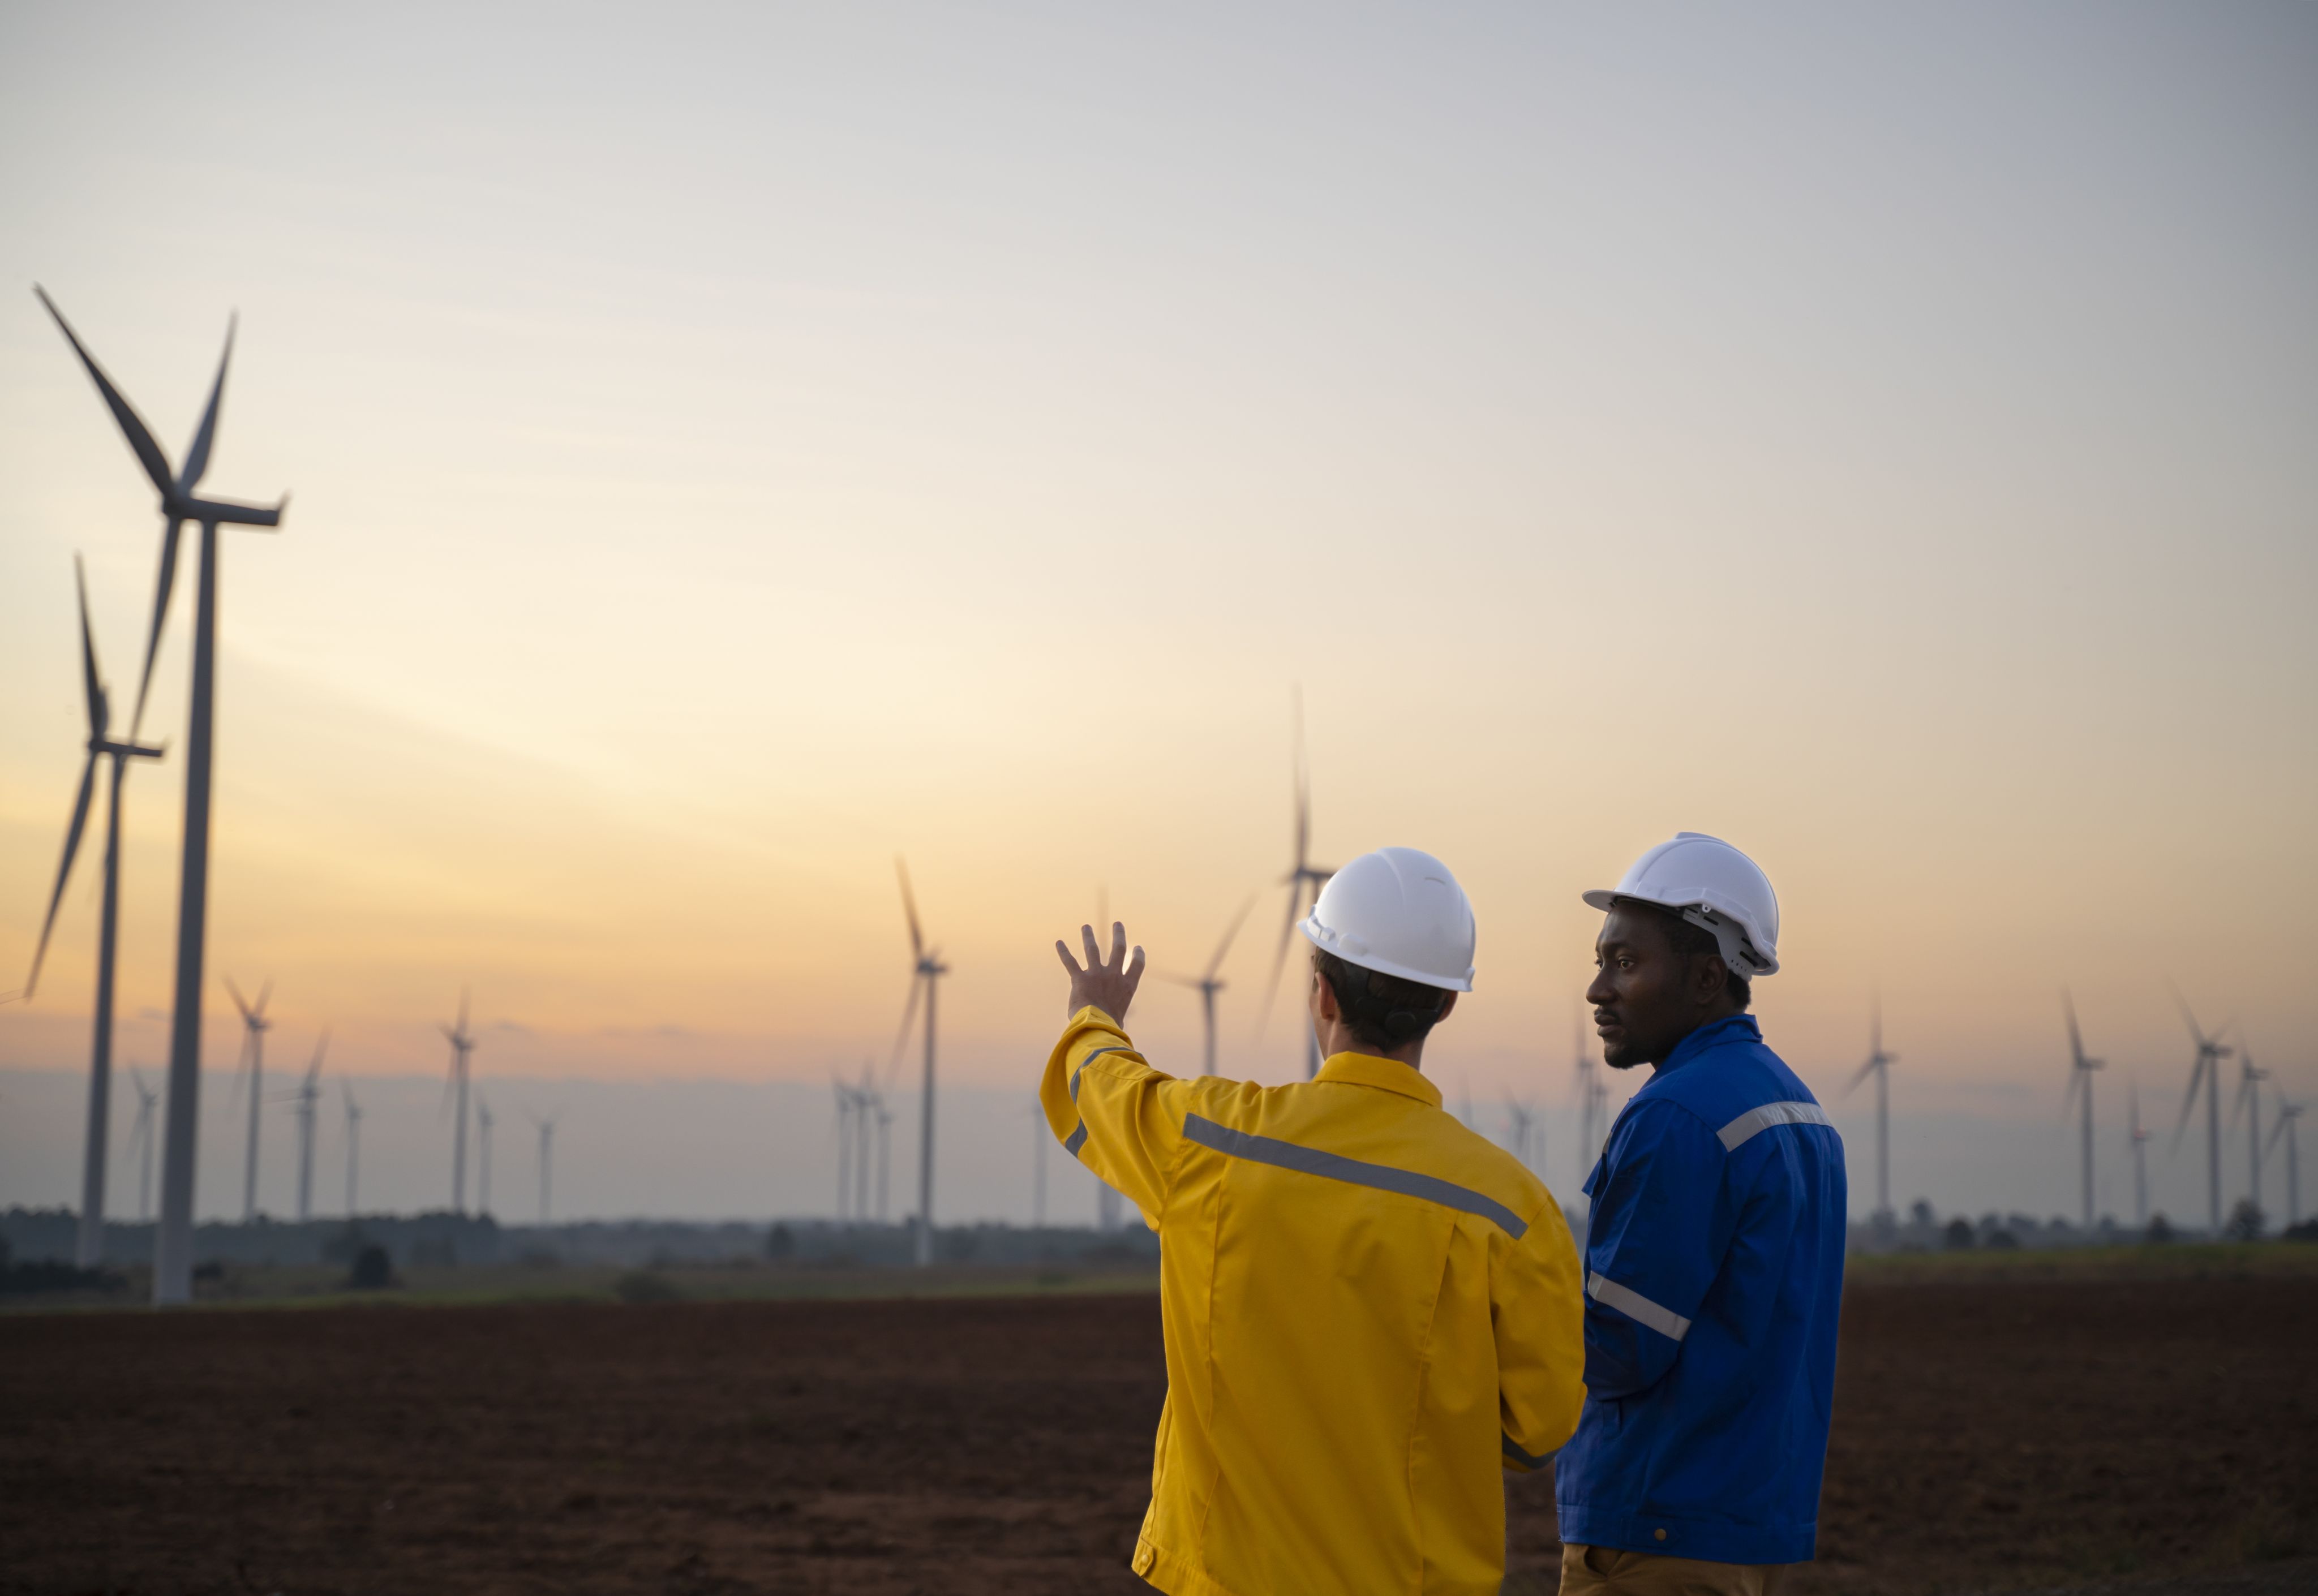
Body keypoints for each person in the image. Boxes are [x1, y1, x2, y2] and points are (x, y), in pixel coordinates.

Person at [1044, 847, 1585, 1596]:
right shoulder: (1511, 1207)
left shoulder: (1209, 1141)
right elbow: (1539, 1426)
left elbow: (1099, 1084)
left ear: (1322, 995)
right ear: (1447, 1003)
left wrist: (1094, 1015)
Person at [1556, 833, 1848, 1596]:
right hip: (1749, 1526)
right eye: (1599, 961)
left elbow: (1620, 1346)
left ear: (1707, 976)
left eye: (1625, 962)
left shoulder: (1677, 1116)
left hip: (1655, 1530)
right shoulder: (1801, 1112)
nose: (1597, 989)